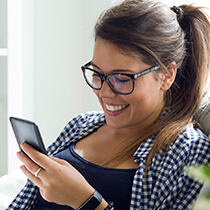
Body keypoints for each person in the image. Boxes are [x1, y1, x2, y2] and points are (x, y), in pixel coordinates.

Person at [7, 0, 210, 209]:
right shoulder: (81, 125)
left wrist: (85, 201)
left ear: (167, 75)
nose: (103, 92)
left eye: (121, 78)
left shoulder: (188, 151)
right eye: (97, 74)